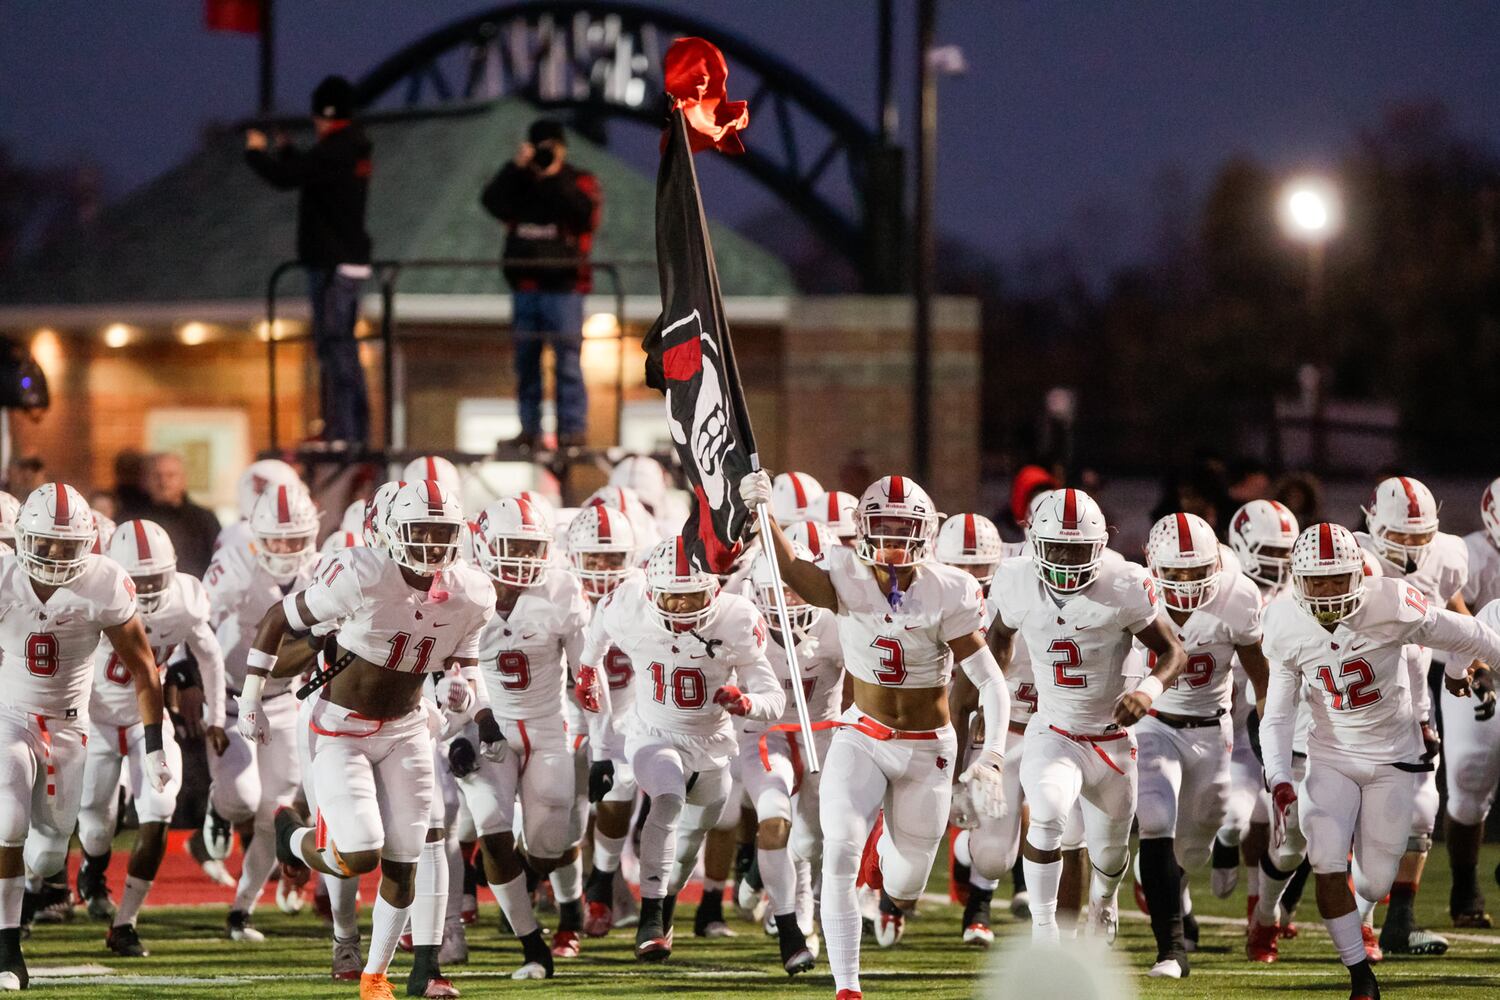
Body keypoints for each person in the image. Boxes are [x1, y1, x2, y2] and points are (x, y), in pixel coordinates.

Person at [741, 472, 1010, 1000]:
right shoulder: (845, 572)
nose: (891, 541)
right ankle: (847, 987)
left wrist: (993, 756)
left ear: (924, 532)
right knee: (836, 851)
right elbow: (791, 566)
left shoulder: (949, 588)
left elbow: (989, 682)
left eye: (902, 528)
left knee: (906, 883)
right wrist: (763, 513)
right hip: (861, 735)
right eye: (881, 528)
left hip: (927, 749)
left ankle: (882, 854)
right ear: (862, 528)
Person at [261, 480, 496, 1000]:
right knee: (351, 849)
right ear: (380, 533)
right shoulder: (351, 569)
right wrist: (332, 637)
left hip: (409, 719)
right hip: (333, 715)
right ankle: (342, 930)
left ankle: (400, 968)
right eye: (420, 533)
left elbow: (446, 655)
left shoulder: (463, 587)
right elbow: (291, 651)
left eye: (441, 534)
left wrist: (459, 695)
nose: (432, 546)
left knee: (419, 840)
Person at [1260, 522, 1500, 1000]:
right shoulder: (1284, 621)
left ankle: (1363, 914)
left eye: (1337, 579)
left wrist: (1457, 674)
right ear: (1298, 580)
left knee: (1373, 881)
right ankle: (1360, 978)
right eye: (1317, 581)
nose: (1327, 592)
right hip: (1330, 756)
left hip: (1392, 759)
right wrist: (1280, 777)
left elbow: (1474, 634)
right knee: (1327, 858)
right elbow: (1277, 714)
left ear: (1358, 576)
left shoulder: (1392, 601)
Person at [989, 488, 1186, 950]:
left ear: (1099, 547)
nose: (1065, 558)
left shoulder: (1124, 583)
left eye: (1076, 549)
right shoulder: (1015, 579)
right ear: (1034, 541)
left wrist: (1146, 690)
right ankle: (1045, 936)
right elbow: (999, 636)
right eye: (1055, 545)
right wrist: (993, 695)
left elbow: (1172, 651)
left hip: (1112, 739)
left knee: (1111, 853)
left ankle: (1105, 899)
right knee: (1048, 814)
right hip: (1053, 731)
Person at [575, 536, 784, 964]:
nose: (683, 608)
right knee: (666, 800)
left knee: (690, 842)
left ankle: (663, 910)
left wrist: (747, 704)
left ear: (713, 592)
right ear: (652, 591)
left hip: (712, 744)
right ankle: (650, 917)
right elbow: (592, 645)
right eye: (672, 598)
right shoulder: (628, 605)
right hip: (651, 732)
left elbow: (772, 696)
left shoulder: (736, 618)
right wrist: (585, 675)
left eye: (692, 598)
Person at [0, 483, 167, 991]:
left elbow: (144, 668)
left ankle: (33, 889)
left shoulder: (104, 582)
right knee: (7, 818)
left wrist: (155, 743)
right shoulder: (5, 577)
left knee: (50, 851)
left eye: (66, 546)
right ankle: (7, 948)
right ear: (22, 537)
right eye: (45, 543)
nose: (54, 555)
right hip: (10, 714)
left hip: (70, 726)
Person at [451, 496, 590, 978]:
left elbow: (585, 678)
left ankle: (551, 897)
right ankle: (534, 947)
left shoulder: (561, 590)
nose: (522, 559)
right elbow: (442, 672)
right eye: (513, 545)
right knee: (491, 826)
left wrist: (600, 742)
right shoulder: (462, 591)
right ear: (485, 544)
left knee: (548, 845)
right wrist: (457, 731)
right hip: (486, 725)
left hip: (549, 726)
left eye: (532, 548)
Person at [76, 520, 228, 958]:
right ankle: (93, 866)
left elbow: (210, 656)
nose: (144, 589)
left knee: (159, 811)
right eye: (136, 580)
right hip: (98, 720)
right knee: (97, 822)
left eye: (154, 579)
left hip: (151, 721)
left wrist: (217, 716)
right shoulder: (94, 591)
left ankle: (125, 923)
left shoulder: (184, 598)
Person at [1135, 512, 1269, 978]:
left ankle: (1173, 886)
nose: (1188, 581)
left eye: (1197, 570)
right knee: (1155, 820)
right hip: (1151, 723)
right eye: (1175, 572)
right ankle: (1171, 949)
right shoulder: (1132, 591)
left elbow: (1258, 669)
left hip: (1212, 730)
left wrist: (1272, 721)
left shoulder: (1238, 596)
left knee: (1193, 849)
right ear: (1154, 566)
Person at [1354, 476, 1474, 951]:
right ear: (1373, 524)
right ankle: (1351, 917)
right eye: (1400, 535)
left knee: (1422, 811)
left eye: (1419, 535)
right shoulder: (1353, 556)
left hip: (1413, 697)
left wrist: (1466, 661)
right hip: (1356, 699)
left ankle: (1397, 921)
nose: (1410, 545)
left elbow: (1453, 610)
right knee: (1351, 816)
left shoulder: (1448, 554)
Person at [200, 483, 320, 943]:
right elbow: (198, 630)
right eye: (277, 539)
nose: (287, 550)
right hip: (231, 701)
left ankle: (241, 911)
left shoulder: (323, 568)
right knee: (241, 801)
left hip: (285, 701)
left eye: (295, 539)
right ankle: (218, 806)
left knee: (275, 812)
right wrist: (189, 681)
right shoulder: (234, 566)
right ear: (255, 535)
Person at [246, 74, 373, 448]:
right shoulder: (348, 147)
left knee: (335, 345)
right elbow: (310, 173)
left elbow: (287, 178)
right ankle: (347, 428)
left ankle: (345, 430)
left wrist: (255, 152)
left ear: (326, 114)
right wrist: (288, 150)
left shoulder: (338, 148)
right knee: (339, 345)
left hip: (334, 265)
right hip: (342, 260)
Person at [480, 118, 602, 452]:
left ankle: (572, 431)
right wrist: (515, 168)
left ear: (562, 148)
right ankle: (529, 430)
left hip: (565, 287)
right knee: (526, 363)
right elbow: (490, 202)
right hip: (526, 285)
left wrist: (555, 177)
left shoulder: (578, 180)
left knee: (567, 362)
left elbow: (586, 215)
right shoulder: (520, 181)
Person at [137, 453, 221, 578]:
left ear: (183, 479)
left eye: (170, 475)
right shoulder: (135, 520)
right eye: (157, 476)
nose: (163, 482)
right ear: (145, 480)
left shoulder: (204, 520)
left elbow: (218, 562)